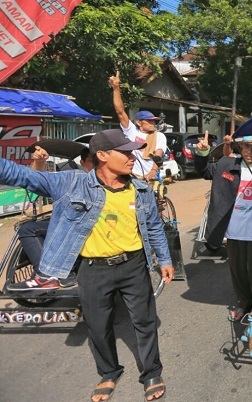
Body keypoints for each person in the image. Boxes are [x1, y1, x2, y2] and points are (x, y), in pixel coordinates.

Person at [0, 130, 173, 402]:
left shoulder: (140, 190)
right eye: (125, 152)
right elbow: (22, 176)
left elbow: (153, 227)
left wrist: (164, 259)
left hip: (134, 266)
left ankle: (151, 372)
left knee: (145, 322)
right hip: (94, 269)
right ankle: (109, 372)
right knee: (98, 325)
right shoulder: (71, 183)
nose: (132, 157)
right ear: (102, 155)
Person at [194, 132, 252, 322]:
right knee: (237, 271)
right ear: (240, 148)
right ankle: (244, 302)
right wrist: (202, 154)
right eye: (246, 147)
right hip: (233, 229)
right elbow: (205, 172)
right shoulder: (226, 164)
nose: (249, 152)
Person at [11, 145, 94, 290]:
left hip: (81, 226)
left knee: (28, 229)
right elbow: (40, 180)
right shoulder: (74, 177)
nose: (97, 165)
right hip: (74, 222)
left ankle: (47, 274)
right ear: (83, 163)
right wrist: (39, 162)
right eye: (93, 161)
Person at [110, 72, 168, 181]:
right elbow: (120, 111)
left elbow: (158, 154)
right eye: (149, 121)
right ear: (139, 122)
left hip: (151, 176)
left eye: (154, 121)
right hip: (132, 176)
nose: (152, 124)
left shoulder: (159, 136)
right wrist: (116, 88)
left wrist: (152, 172)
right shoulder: (131, 132)